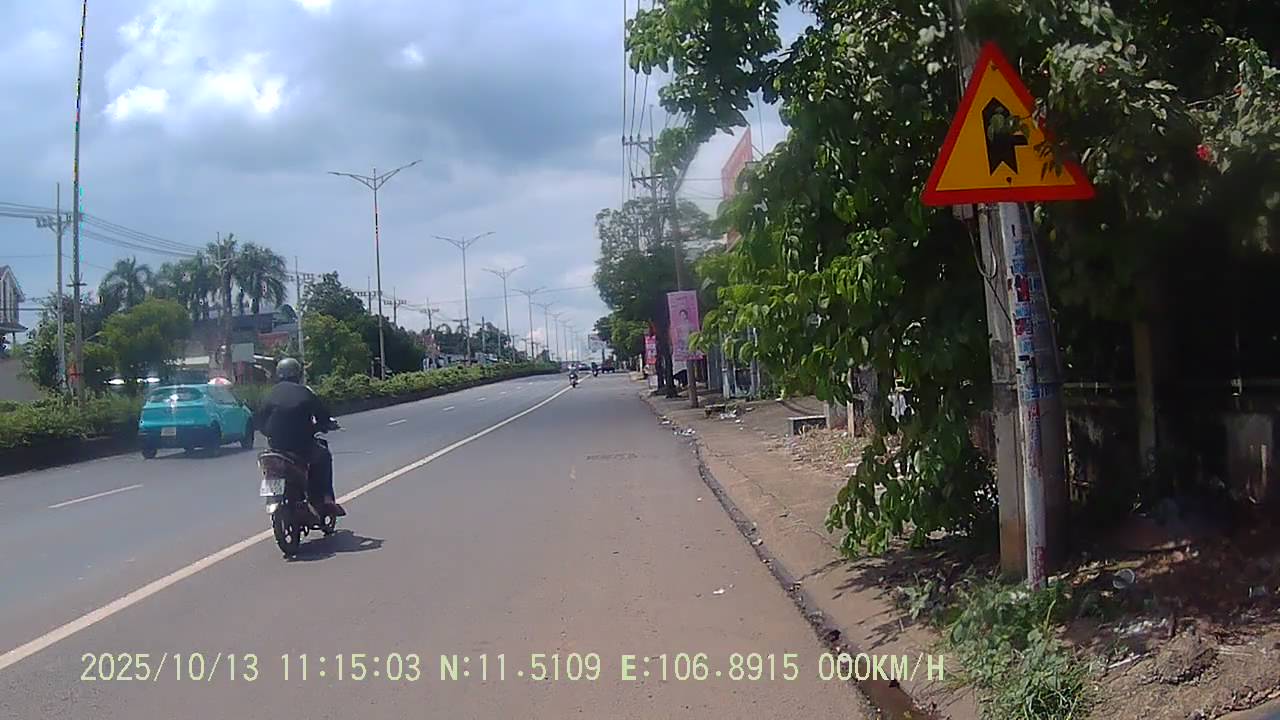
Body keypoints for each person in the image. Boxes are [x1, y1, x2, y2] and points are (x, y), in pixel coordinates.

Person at [256, 358, 346, 517]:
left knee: (271, 469)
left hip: (276, 448)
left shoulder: (270, 393)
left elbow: (259, 419)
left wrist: (270, 433)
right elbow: (322, 416)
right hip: (302, 447)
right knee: (324, 456)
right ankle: (326, 499)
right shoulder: (305, 392)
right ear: (298, 374)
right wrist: (325, 425)